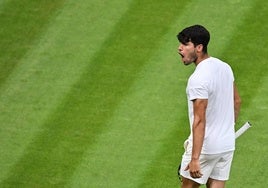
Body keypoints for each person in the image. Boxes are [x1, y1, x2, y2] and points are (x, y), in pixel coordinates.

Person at [176, 25, 241, 188]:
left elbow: (199, 120)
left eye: (185, 44)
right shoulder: (225, 67)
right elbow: (236, 102)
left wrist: (195, 158)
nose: (180, 48)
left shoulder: (198, 79)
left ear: (199, 48)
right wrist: (226, 130)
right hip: (226, 144)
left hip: (205, 147)